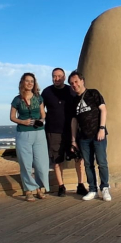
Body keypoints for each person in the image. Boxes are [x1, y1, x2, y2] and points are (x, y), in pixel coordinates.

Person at [41, 68, 88, 197]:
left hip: (72, 130)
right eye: (54, 76)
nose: (57, 78)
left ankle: (81, 184)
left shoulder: (71, 90)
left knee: (79, 158)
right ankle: (61, 186)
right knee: (57, 160)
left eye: (59, 76)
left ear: (64, 77)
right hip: (54, 131)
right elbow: (40, 110)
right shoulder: (46, 92)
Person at [69, 70, 111, 202]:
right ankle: (92, 189)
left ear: (82, 81)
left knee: (102, 162)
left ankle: (105, 188)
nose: (74, 85)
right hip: (83, 138)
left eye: (76, 81)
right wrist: (74, 139)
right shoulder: (74, 100)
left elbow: (103, 109)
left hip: (98, 134)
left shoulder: (93, 93)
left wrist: (102, 128)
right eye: (71, 83)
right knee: (88, 164)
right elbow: (74, 120)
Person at [10, 72, 51, 202]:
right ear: (22, 82)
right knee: (25, 163)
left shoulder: (38, 98)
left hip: (39, 133)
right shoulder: (17, 99)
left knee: (41, 163)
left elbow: (43, 114)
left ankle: (39, 187)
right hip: (23, 133)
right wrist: (23, 122)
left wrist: (41, 120)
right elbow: (12, 117)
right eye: (27, 81)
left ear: (34, 84)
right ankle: (28, 190)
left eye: (32, 81)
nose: (29, 83)